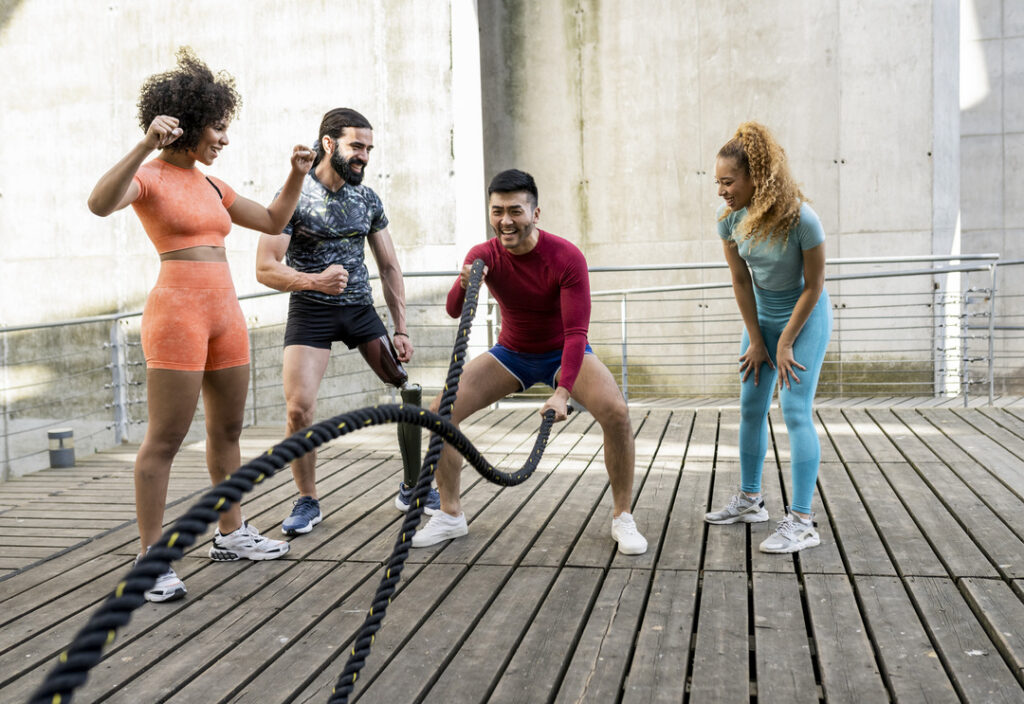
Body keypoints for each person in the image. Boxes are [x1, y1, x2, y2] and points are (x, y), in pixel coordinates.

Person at [87, 49, 309, 602]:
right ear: (185, 123)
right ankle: (148, 558)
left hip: (225, 313)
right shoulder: (150, 177)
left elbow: (274, 219)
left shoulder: (212, 185)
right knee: (163, 440)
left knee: (228, 433)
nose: (224, 139)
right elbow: (98, 204)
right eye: (218, 127)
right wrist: (144, 145)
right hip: (177, 314)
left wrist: (295, 174)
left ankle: (231, 534)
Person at [411, 169, 648, 555]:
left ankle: (623, 516)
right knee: (441, 412)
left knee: (616, 412)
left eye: (516, 211)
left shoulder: (566, 257)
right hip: (512, 354)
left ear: (535, 214)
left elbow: (575, 335)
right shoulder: (482, 255)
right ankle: (450, 514)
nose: (506, 221)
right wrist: (464, 282)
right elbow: (455, 310)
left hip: (562, 353)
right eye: (497, 211)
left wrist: (562, 393)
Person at [256, 108, 436, 536]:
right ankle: (307, 500)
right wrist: (315, 280)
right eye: (357, 147)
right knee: (299, 409)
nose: (365, 157)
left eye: (369, 149)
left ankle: (412, 484)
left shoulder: (367, 198)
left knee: (407, 388)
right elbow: (265, 267)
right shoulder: (293, 196)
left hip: (359, 310)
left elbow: (389, 267)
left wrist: (401, 327)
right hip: (311, 311)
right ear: (328, 144)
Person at [705, 122, 833, 553]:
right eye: (718, 182)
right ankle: (750, 500)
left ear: (755, 177)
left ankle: (801, 521)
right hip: (761, 322)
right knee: (750, 404)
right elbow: (741, 284)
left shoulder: (801, 220)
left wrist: (785, 341)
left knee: (795, 410)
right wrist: (757, 340)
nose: (721, 190)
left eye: (728, 181)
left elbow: (814, 286)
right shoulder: (730, 224)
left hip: (805, 319)